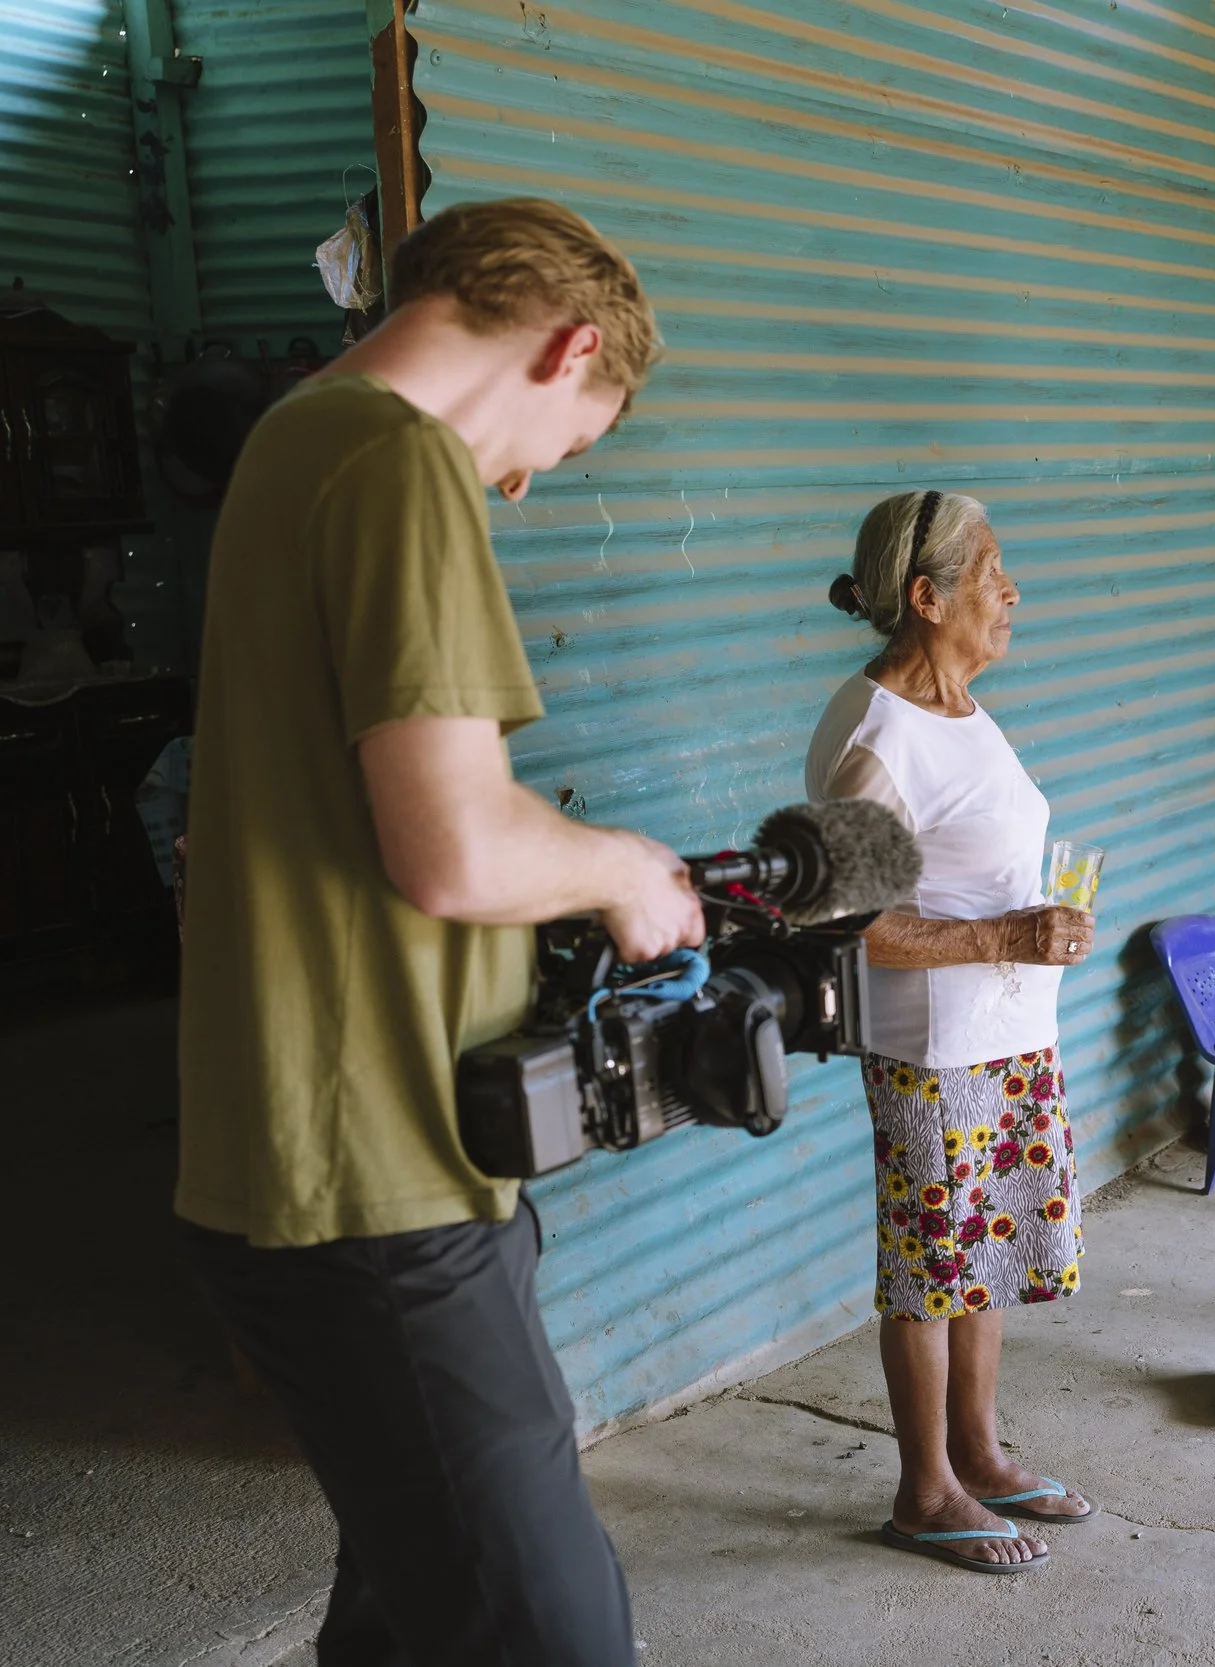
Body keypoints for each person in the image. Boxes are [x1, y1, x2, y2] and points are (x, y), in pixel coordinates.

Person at [175, 199, 707, 1664]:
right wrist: (623, 869)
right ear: (572, 344)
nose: (530, 482)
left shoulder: (294, 439)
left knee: (412, 1603)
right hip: (374, 1174)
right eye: (570, 442)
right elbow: (456, 846)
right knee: (553, 1632)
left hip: (312, 1152)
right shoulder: (403, 461)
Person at [808, 490, 1097, 1572]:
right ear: (926, 597)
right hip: (932, 1049)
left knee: (984, 1253)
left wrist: (1031, 934)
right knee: (933, 1264)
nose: (1009, 591)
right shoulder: (881, 736)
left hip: (1006, 1030)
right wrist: (1008, 932)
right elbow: (847, 919)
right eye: (988, 574)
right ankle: (924, 1487)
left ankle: (976, 1451)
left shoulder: (959, 703)